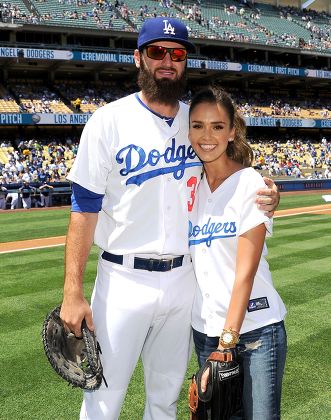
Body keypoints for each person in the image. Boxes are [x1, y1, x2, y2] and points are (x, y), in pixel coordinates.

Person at [59, 17, 280, 420]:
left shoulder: (194, 119)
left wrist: (268, 190)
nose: (167, 61)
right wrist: (72, 291)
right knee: (103, 399)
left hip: (183, 284)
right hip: (123, 279)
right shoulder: (108, 121)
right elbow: (83, 210)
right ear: (138, 58)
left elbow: (233, 169)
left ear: (184, 62)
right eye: (157, 52)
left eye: (176, 54)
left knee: (166, 400)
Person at [188, 86, 287, 419]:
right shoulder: (189, 188)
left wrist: (226, 342)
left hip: (256, 329)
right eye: (197, 125)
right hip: (205, 331)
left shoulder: (250, 185)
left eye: (217, 126)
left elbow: (244, 273)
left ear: (232, 132)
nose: (207, 136)